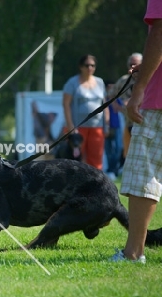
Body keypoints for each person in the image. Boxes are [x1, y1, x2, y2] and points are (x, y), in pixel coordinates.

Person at [110, 0, 162, 263]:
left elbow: (160, 32)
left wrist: (140, 87)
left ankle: (133, 253)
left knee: (145, 171)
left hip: (159, 101)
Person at [62, 54, 107, 170]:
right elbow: (66, 104)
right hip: (78, 127)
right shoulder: (72, 82)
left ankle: (96, 183)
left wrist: (107, 123)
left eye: (93, 65)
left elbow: (105, 104)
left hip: (97, 127)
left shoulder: (100, 82)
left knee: (96, 157)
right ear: (80, 67)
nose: (90, 68)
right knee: (75, 158)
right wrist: (70, 126)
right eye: (87, 65)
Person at [110, 53, 143, 166]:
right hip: (128, 123)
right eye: (131, 64)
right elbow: (111, 95)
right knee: (128, 154)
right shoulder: (124, 80)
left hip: (143, 123)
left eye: (136, 64)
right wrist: (116, 106)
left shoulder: (148, 79)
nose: (132, 67)